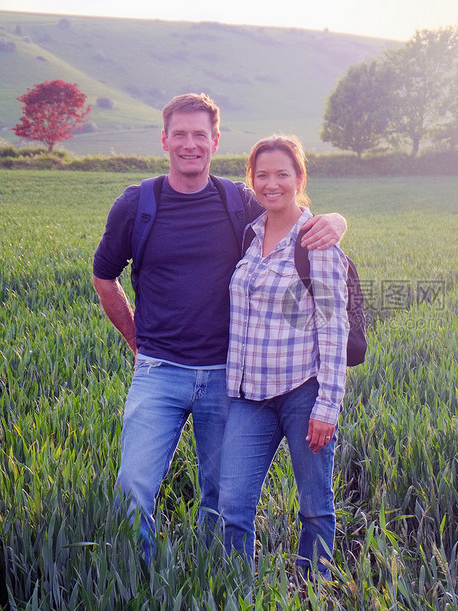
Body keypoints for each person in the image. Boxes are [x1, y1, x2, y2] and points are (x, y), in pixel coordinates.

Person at [91, 94, 346, 561]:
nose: (190, 144)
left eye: (200, 135)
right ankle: (141, 581)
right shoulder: (136, 204)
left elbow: (289, 214)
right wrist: (136, 339)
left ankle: (215, 579)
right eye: (181, 134)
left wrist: (337, 220)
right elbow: (103, 275)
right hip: (159, 372)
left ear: (215, 141)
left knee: (220, 495)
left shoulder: (238, 201)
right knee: (132, 485)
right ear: (165, 139)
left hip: (227, 379)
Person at [217, 135, 348, 580]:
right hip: (247, 396)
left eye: (282, 174)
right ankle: (236, 590)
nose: (272, 184)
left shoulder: (316, 241)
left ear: (300, 178)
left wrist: (327, 405)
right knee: (231, 504)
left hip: (302, 393)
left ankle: (315, 589)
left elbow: (334, 327)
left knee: (315, 506)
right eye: (262, 175)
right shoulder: (250, 236)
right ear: (251, 180)